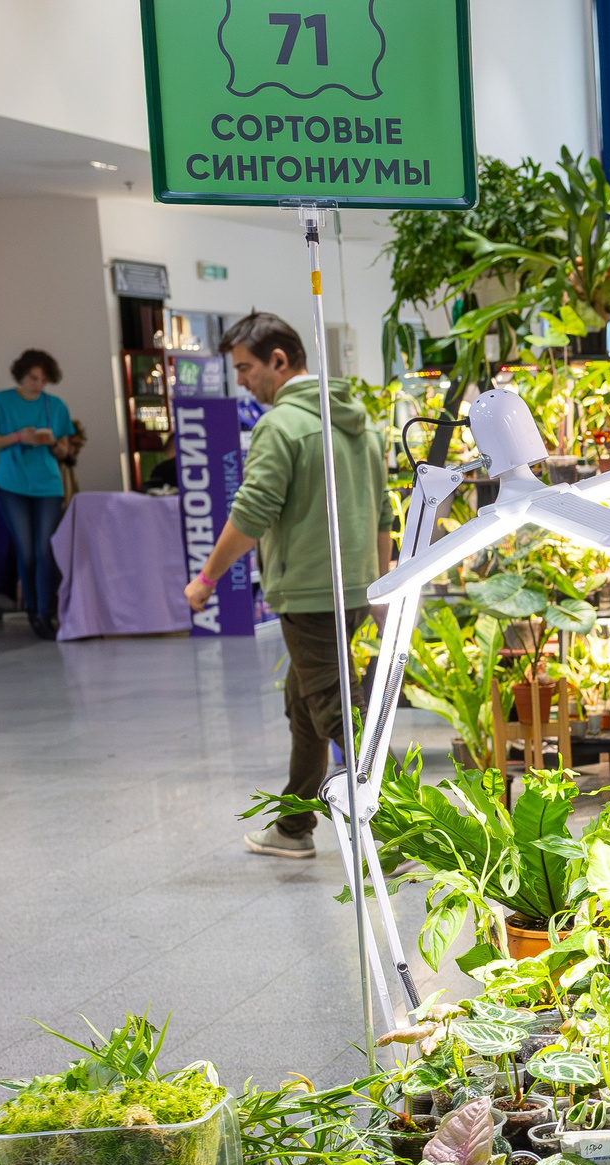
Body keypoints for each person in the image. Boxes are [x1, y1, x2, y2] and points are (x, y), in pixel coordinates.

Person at [185, 311, 386, 859]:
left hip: (308, 591)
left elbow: (251, 513)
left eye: (247, 368)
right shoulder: (359, 422)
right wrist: (382, 583)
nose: (243, 381)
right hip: (354, 589)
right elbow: (384, 512)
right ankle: (294, 827)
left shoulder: (280, 426)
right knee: (305, 706)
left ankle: (399, 829)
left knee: (335, 711)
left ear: (279, 361)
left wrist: (206, 579)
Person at [0, 350, 83, 639]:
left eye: (43, 379)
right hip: (13, 485)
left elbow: (64, 448)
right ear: (22, 374)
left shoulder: (54, 405)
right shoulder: (2, 402)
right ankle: (32, 608)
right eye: (34, 377)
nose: (38, 384)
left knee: (44, 549)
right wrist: (18, 437)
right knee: (25, 550)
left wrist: (55, 445)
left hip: (47, 484)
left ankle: (44, 612)